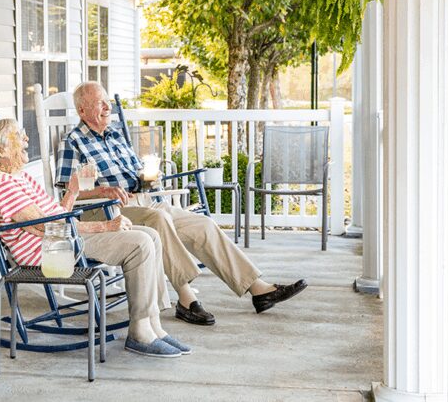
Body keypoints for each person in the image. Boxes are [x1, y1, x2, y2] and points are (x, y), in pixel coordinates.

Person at [56, 81, 307, 326]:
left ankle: (258, 290)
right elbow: (67, 191)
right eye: (99, 103)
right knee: (159, 219)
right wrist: (104, 190)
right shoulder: (74, 141)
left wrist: (148, 177)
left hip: (143, 201)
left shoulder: (115, 136)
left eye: (107, 101)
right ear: (82, 110)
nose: (107, 107)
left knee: (203, 225)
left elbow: (136, 173)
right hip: (106, 210)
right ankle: (186, 298)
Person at [0, 118, 190, 358]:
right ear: (1, 149)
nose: (27, 139)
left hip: (61, 239)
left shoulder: (19, 177)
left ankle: (154, 325)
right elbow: (43, 227)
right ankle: (140, 332)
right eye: (19, 135)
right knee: (139, 244)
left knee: (151, 235)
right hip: (50, 251)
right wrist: (106, 226)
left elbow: (55, 216)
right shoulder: (1, 183)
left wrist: (73, 191)